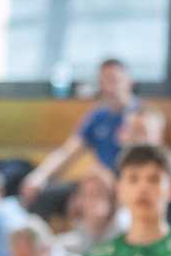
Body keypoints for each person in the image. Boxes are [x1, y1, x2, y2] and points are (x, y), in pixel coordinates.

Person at [17, 58, 136, 218]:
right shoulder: (98, 116)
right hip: (97, 183)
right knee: (41, 196)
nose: (108, 87)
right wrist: (40, 176)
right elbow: (68, 152)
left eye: (113, 80)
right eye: (103, 81)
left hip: (125, 185)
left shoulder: (141, 115)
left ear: (129, 81)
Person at [56, 170, 128, 256]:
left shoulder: (124, 223)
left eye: (98, 193)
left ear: (111, 196)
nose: (93, 200)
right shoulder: (81, 225)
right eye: (87, 194)